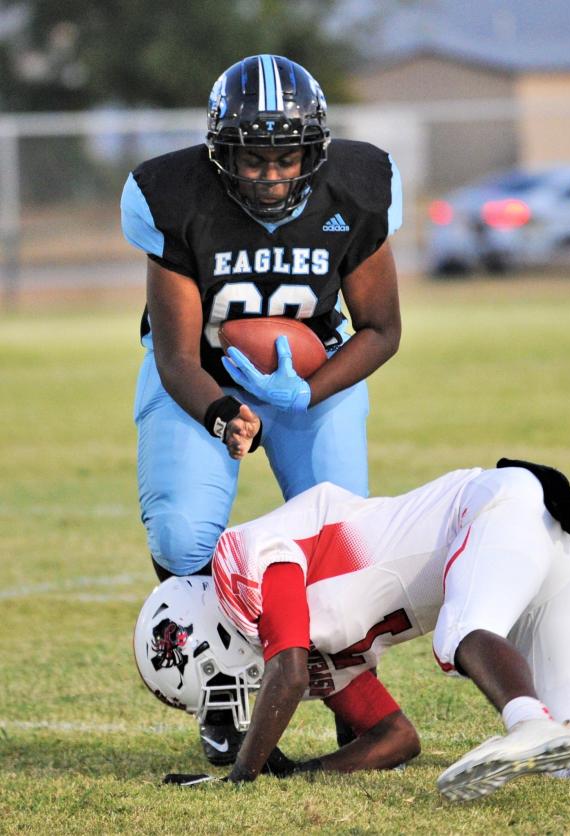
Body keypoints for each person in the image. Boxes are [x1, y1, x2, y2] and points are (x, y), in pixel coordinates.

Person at [135, 461, 570, 800]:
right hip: (543, 545)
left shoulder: (247, 559)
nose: (233, 692)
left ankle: (524, 720)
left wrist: (242, 776)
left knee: (461, 630)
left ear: (203, 636)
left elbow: (287, 672)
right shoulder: (308, 644)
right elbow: (397, 739)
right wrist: (303, 772)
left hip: (497, 508)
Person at [121, 54, 402, 765]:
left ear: (316, 153)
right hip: (203, 378)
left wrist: (308, 391)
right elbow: (178, 355)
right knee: (184, 540)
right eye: (253, 159)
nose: (273, 175)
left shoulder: (358, 188)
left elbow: (382, 328)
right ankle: (220, 687)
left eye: (288, 157)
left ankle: (355, 700)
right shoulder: (174, 193)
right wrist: (221, 413)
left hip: (317, 380)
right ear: (221, 155)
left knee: (341, 549)